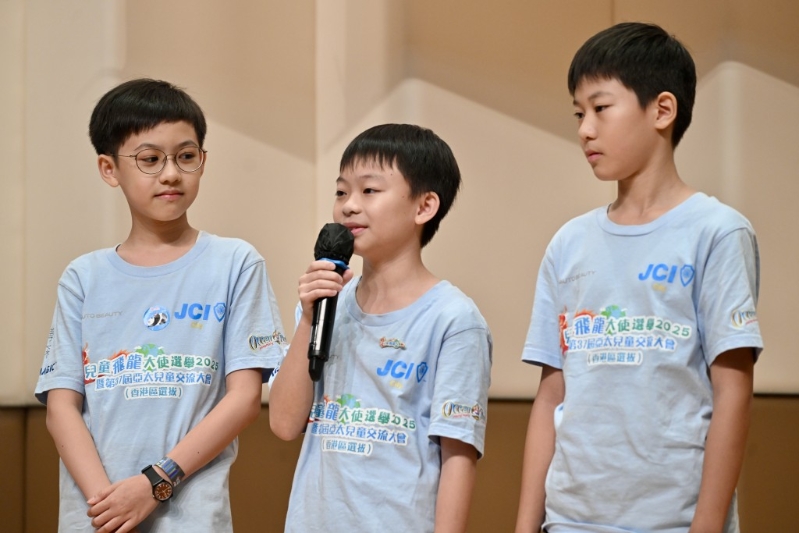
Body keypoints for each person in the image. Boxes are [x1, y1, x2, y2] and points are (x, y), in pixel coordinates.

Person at [515, 22, 763, 533]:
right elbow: (551, 396)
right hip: (569, 520)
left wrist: (706, 526)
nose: (585, 129)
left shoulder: (716, 232)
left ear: (662, 110)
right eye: (579, 113)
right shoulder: (569, 242)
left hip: (672, 521)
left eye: (601, 108)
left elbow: (733, 393)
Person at [34, 78, 286, 533]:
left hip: (192, 519)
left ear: (203, 161)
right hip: (97, 516)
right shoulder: (83, 277)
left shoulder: (235, 263)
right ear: (109, 168)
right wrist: (110, 506)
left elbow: (245, 398)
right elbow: (61, 407)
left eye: (185, 157)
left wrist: (154, 483)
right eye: (150, 159)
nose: (171, 173)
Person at [269, 124, 492, 532]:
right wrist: (307, 319)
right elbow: (284, 425)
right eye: (341, 192)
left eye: (369, 190)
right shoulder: (329, 302)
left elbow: (458, 458)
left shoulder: (454, 320)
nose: (349, 206)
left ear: (424, 206)